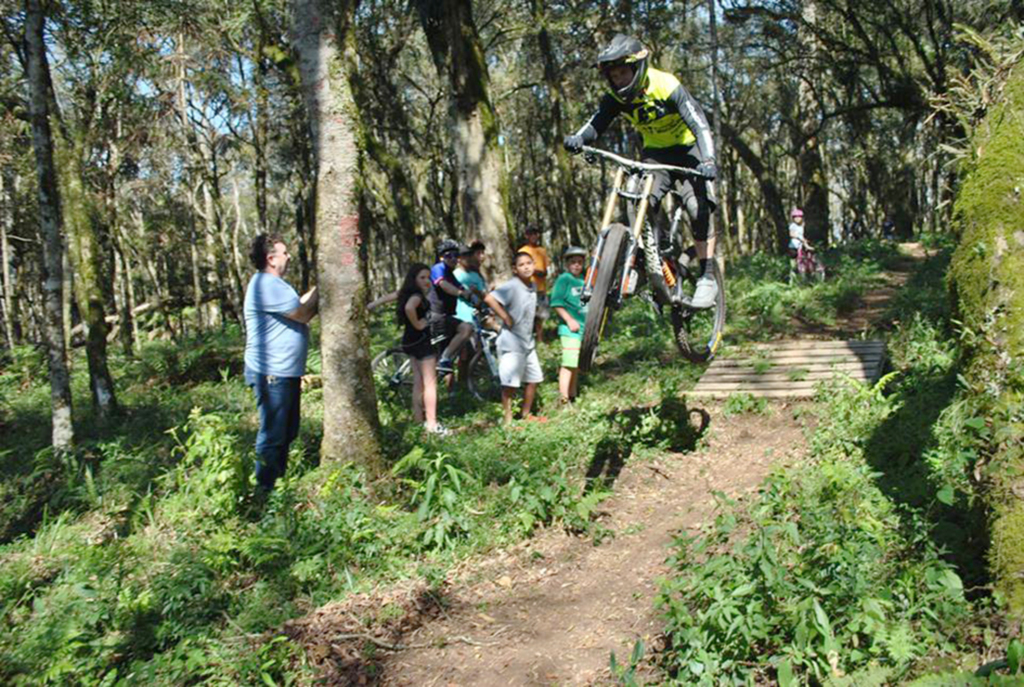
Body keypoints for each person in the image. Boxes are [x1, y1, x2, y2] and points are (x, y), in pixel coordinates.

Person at [563, 33, 719, 309]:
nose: (619, 79)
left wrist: (708, 160)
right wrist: (579, 139)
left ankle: (707, 275)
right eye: (614, 75)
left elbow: (699, 122)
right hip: (656, 155)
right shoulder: (614, 97)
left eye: (624, 73)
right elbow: (597, 122)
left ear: (638, 67)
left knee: (698, 208)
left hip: (689, 152)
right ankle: (647, 262)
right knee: (636, 197)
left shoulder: (666, 85)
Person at [244, 234, 318, 495]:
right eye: (284, 253)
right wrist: (324, 288)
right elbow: (304, 313)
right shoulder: (267, 285)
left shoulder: (275, 284)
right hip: (271, 373)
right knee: (274, 435)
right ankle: (264, 491)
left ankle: (277, 483)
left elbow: (297, 304)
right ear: (271, 258)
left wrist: (318, 287)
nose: (288, 257)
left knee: (287, 431)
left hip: (283, 372)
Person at [484, 252, 545, 424]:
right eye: (521, 265)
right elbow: (490, 298)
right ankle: (508, 420)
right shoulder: (512, 286)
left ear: (534, 264)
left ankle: (526, 414)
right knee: (510, 384)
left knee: (534, 379)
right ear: (515, 269)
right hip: (511, 343)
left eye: (529, 263)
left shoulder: (532, 286)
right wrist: (504, 316)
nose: (526, 267)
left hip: (527, 343)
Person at [397, 263, 447, 436]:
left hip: (409, 341)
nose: (426, 281)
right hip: (422, 342)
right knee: (430, 383)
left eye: (428, 277)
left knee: (418, 382)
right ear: (414, 279)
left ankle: (418, 420)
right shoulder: (416, 296)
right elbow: (409, 307)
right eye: (422, 277)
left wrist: (372, 305)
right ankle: (432, 423)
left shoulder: (407, 293)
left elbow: (393, 297)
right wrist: (418, 324)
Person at [428, 239, 474, 375]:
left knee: (455, 350)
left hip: (445, 316)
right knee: (466, 328)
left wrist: (479, 302)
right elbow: (443, 285)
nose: (453, 259)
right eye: (449, 256)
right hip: (435, 316)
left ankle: (450, 390)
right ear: (441, 257)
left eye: (456, 255)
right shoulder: (438, 268)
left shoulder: (451, 274)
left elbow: (462, 289)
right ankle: (444, 359)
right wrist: (460, 293)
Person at [549, 246, 588, 404]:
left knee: (576, 364)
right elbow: (556, 303)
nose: (576, 265)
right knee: (568, 362)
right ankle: (563, 399)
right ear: (567, 264)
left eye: (579, 262)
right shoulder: (564, 279)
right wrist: (569, 320)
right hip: (570, 329)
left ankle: (572, 395)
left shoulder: (584, 279)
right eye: (573, 262)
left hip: (583, 328)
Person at [453, 243, 489, 383]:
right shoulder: (455, 275)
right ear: (459, 259)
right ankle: (457, 387)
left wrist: (478, 295)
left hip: (475, 318)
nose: (467, 258)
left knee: (474, 352)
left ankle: (469, 384)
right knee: (462, 354)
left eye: (469, 255)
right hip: (459, 318)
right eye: (464, 256)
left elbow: (483, 295)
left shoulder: (475, 275)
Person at [517, 225, 550, 343]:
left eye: (535, 234)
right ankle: (527, 339)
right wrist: (534, 271)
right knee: (528, 314)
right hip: (528, 287)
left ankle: (540, 339)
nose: (533, 236)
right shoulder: (523, 251)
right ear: (526, 236)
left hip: (541, 288)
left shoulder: (542, 251)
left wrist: (539, 272)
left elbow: (546, 270)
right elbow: (522, 269)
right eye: (530, 234)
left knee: (540, 316)